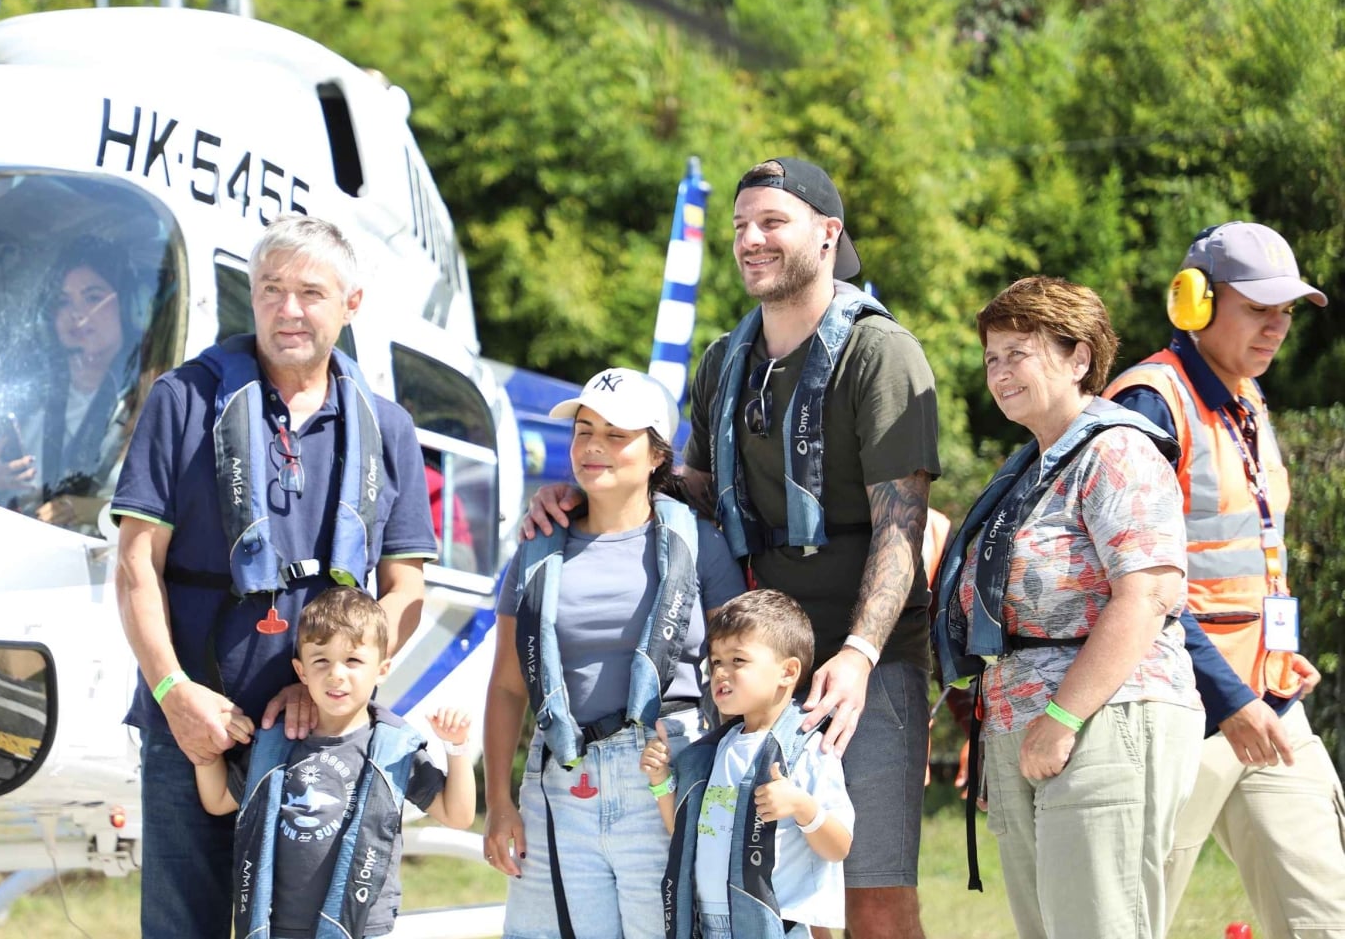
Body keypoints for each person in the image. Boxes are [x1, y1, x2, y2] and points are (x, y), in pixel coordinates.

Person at [527, 158, 938, 939]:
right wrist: (583, 495)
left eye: (772, 222)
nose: (750, 238)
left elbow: (902, 525)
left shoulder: (881, 353)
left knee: (872, 897)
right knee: (750, 882)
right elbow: (700, 492)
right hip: (755, 657)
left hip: (868, 658)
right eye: (741, 225)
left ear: (828, 233)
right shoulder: (725, 362)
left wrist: (854, 654)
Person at [112, 213, 438, 938]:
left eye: (310, 292)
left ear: (351, 304)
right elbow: (137, 561)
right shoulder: (184, 400)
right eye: (270, 289)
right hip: (194, 724)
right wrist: (173, 693)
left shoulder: (388, 429)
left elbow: (405, 591)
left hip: (323, 733)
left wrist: (329, 684)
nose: (287, 309)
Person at [935, 276, 1204, 939]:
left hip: (1102, 719)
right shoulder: (1031, 467)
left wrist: (1061, 716)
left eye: (1017, 353)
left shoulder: (1116, 451)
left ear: (1079, 358)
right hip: (1029, 726)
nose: (998, 373)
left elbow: (1147, 595)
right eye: (991, 357)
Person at [1104, 222, 1345, 938]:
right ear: (1194, 302)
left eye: (1288, 310)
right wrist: (1228, 696)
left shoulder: (1247, 398)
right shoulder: (1150, 403)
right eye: (1259, 307)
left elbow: (1246, 553)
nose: (1277, 326)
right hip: (1181, 711)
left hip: (1270, 703)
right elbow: (1135, 585)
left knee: (1324, 918)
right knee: (1125, 920)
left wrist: (1273, 658)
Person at [484, 367, 748, 939]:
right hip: (559, 780)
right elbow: (507, 686)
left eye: (615, 434)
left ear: (657, 455)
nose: (594, 447)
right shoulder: (535, 547)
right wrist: (499, 803)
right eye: (584, 430)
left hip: (662, 774)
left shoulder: (701, 545)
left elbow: (745, 667)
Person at [194, 587, 475, 939]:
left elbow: (458, 815)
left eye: (353, 661)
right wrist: (204, 750)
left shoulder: (394, 749)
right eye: (321, 660)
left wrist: (457, 747)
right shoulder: (276, 744)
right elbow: (218, 800)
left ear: (383, 668)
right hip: (276, 927)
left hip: (360, 927)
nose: (336, 674)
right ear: (301, 670)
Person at [644, 589, 854, 939]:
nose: (721, 673)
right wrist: (661, 781)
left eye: (738, 660)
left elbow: (839, 846)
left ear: (787, 672)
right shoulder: (712, 752)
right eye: (716, 662)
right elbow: (683, 832)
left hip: (774, 926)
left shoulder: (809, 750)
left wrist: (802, 807)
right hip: (708, 925)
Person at [0, 237, 140, 531]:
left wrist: (95, 511)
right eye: (64, 301)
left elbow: (167, 521)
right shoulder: (28, 401)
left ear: (127, 308)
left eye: (93, 297)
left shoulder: (152, 404)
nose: (76, 313)